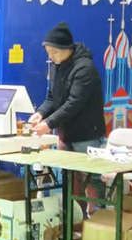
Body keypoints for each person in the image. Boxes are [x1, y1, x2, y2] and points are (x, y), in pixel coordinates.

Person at [29, 22, 106, 151]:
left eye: (54, 52)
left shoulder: (84, 68)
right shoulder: (56, 66)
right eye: (48, 52)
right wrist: (41, 113)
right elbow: (51, 98)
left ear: (67, 48)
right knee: (63, 164)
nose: (50, 57)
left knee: (84, 165)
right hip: (66, 135)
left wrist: (48, 123)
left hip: (86, 136)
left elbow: (74, 103)